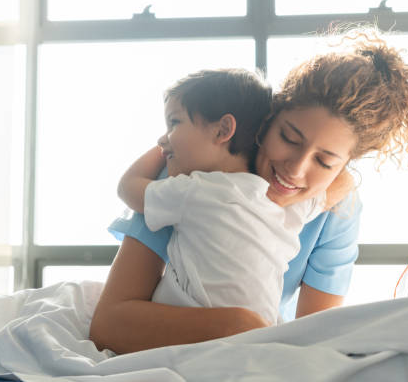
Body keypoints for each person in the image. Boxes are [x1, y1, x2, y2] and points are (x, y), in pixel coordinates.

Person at [89, 27, 408, 355]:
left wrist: (256, 336)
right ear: (267, 120)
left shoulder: (335, 210)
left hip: (259, 351)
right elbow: (109, 325)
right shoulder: (189, 178)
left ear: (345, 165)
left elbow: (313, 340)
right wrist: (240, 326)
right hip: (190, 341)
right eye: (288, 138)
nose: (296, 169)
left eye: (326, 161)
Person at [117, 69, 325, 327]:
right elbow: (332, 191)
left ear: (223, 129)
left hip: (194, 339)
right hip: (264, 332)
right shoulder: (285, 204)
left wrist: (162, 151)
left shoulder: (194, 191)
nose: (163, 138)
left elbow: (127, 187)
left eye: (174, 123)